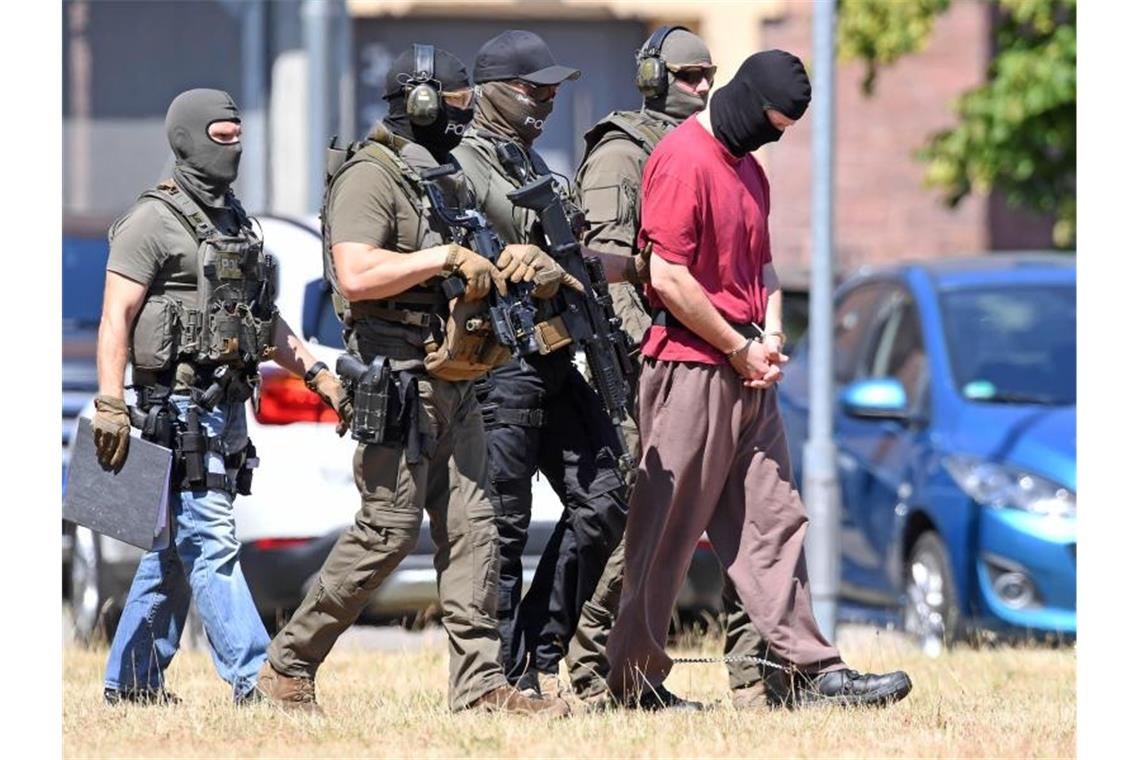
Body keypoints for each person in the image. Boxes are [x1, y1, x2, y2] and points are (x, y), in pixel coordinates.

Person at [254, 45, 569, 717]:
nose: (464, 119)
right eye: (456, 106)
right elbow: (360, 270)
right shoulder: (371, 177)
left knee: (476, 528)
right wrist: (444, 255)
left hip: (457, 376)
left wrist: (513, 260)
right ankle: (287, 667)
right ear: (422, 104)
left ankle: (481, 686)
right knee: (387, 533)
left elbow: (467, 266)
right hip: (396, 384)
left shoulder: (443, 176)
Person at [604, 50, 915, 710]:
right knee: (667, 536)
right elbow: (667, 277)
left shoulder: (751, 170)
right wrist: (737, 345)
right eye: (772, 122)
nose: (774, 136)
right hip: (689, 371)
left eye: (786, 128)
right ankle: (631, 684)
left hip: (747, 375)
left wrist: (769, 338)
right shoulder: (682, 160)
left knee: (776, 521)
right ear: (746, 103)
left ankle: (815, 672)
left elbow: (762, 268)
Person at [95, 89, 348, 705]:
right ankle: (255, 680)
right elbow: (114, 318)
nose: (232, 146)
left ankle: (130, 686)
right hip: (174, 410)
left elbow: (266, 321)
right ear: (187, 138)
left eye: (238, 135)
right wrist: (109, 402)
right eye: (220, 134)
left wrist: (318, 374)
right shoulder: (151, 221)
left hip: (226, 406)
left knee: (176, 556)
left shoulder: (235, 220)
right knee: (209, 541)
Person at [570, 25, 782, 709]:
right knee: (649, 528)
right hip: (659, 366)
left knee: (760, 520)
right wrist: (641, 365)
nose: (700, 88)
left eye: (707, 76)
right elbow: (608, 273)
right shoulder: (622, 154)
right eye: (686, 76)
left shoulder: (723, 152)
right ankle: (599, 670)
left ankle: (761, 678)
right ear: (653, 77)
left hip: (724, 361)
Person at [451, 29, 640, 700]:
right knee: (502, 523)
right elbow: (456, 260)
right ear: (496, 92)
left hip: (558, 353)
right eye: (537, 90)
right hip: (501, 363)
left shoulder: (529, 163)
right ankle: (499, 675)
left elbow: (574, 260)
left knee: (609, 499)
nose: (550, 101)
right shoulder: (461, 166)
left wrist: (566, 268)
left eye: (555, 90)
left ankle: (539, 644)